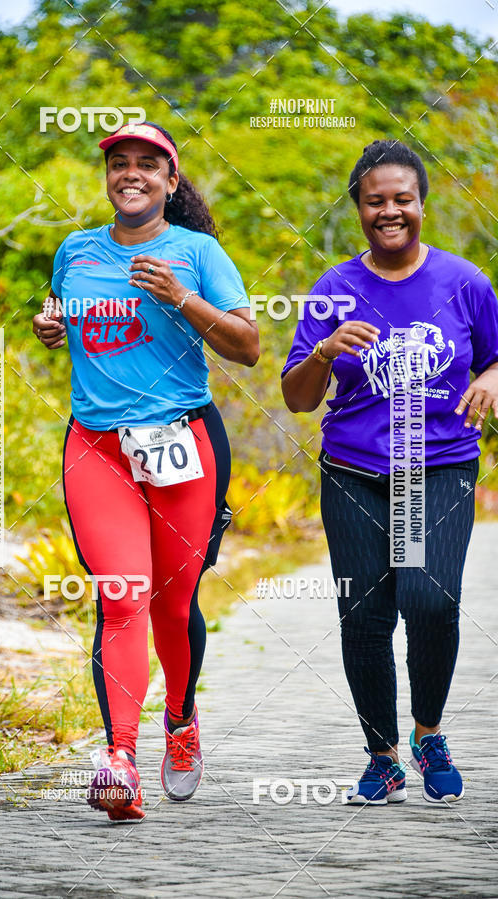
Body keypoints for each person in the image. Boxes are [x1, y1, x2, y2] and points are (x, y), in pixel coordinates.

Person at [33, 121, 259, 822]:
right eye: (118, 164)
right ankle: (121, 758)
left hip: (183, 444)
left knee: (171, 602)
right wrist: (53, 325)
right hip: (97, 448)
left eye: (146, 165)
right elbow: (74, 321)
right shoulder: (76, 250)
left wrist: (181, 299)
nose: (130, 174)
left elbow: (248, 345)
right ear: (108, 176)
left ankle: (182, 721)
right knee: (123, 595)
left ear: (170, 177)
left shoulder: (197, 252)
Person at [281, 139, 498, 805]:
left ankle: (428, 731)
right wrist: (323, 348)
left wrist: (491, 382)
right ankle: (383, 756)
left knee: (429, 601)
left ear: (423, 204)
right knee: (364, 613)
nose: (390, 210)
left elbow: (496, 357)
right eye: (376, 200)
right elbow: (295, 394)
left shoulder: (465, 283)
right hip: (355, 470)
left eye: (402, 198)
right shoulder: (333, 288)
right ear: (359, 209)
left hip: (436, 467)